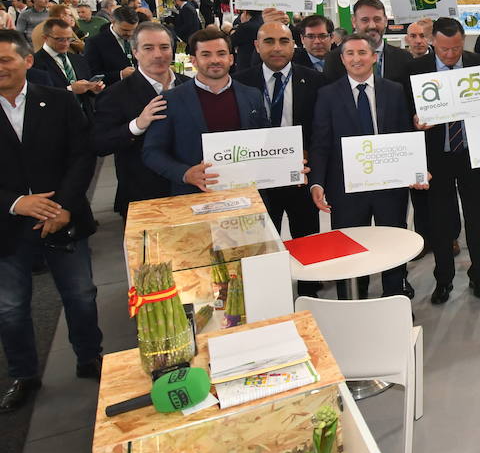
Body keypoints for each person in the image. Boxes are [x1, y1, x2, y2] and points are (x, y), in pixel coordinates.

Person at [0, 30, 103, 413]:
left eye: (6, 60)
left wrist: (65, 207)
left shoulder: (58, 101)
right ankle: (24, 374)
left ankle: (89, 357)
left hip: (64, 219)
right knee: (10, 308)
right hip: (8, 227)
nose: (0, 69)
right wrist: (16, 203)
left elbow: (82, 156)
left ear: (27, 61)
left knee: (80, 295)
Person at [309, 33, 420, 299]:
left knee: (393, 244)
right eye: (350, 54)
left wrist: (415, 169)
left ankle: (394, 298)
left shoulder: (393, 90)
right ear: (342, 58)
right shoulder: (327, 95)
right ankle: (352, 301)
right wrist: (317, 182)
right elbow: (320, 142)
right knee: (349, 247)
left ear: (374, 57)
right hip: (346, 188)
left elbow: (405, 136)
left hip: (389, 186)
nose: (356, 59)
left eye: (362, 53)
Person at [233, 21, 325, 291]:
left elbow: (321, 129)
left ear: (293, 45)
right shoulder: (239, 82)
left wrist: (310, 154)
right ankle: (271, 293)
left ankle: (310, 290)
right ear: (256, 46)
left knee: (307, 238)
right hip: (258, 179)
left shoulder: (315, 80)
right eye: (269, 41)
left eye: (284, 41)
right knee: (263, 241)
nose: (277, 48)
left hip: (300, 174)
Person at [408, 17, 480, 304]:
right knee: (440, 222)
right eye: (444, 49)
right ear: (433, 41)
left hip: (472, 154)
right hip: (436, 157)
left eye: (456, 48)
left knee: (476, 218)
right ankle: (443, 280)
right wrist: (416, 121)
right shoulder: (415, 69)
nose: (451, 55)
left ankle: (478, 277)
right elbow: (406, 114)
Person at [143, 28, 271, 194]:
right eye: (206, 54)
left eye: (221, 53)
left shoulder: (252, 95)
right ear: (193, 60)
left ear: (231, 59)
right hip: (194, 194)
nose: (215, 60)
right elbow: (152, 152)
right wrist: (185, 174)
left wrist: (289, 163)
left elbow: (267, 140)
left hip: (246, 193)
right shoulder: (170, 99)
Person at [91, 22, 188, 216]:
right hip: (143, 194)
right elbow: (100, 145)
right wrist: (136, 125)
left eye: (164, 47)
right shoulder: (115, 94)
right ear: (135, 52)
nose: (158, 54)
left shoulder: (189, 85)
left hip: (189, 188)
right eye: (148, 48)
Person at [322, 0, 410, 85]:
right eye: (365, 20)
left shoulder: (404, 58)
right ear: (354, 21)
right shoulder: (334, 59)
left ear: (386, 21)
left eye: (377, 19)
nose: (372, 25)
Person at [30, 18, 104, 118]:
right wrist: (70, 89)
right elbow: (39, 95)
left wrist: (93, 89)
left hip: (85, 118)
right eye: (59, 39)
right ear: (45, 37)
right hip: (55, 119)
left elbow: (87, 92)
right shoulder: (34, 63)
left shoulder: (78, 59)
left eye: (69, 39)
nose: (65, 43)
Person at [84, 6, 139, 82]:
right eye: (125, 30)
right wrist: (120, 74)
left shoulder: (139, 37)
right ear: (113, 21)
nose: (130, 33)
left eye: (133, 29)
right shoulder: (95, 43)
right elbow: (92, 75)